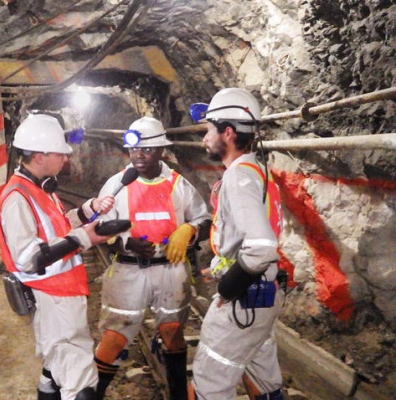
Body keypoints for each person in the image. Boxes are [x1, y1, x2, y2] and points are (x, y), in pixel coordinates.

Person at [0, 113, 116, 400]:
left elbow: (56, 228)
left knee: (54, 369)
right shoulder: (17, 198)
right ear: (39, 156)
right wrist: (86, 237)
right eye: (60, 153)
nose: (66, 158)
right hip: (54, 297)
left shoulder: (39, 188)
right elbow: (29, 258)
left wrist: (89, 210)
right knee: (79, 381)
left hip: (61, 293)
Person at [94, 116, 211, 400]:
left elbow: (205, 220)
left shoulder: (177, 184)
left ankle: (178, 394)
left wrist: (190, 229)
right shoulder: (116, 185)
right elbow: (98, 230)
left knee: (172, 332)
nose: (139, 155)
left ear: (161, 151)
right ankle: (92, 394)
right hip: (128, 271)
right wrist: (124, 243)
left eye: (146, 150)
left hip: (170, 270)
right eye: (134, 150)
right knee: (115, 337)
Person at [188, 88, 285, 400]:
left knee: (207, 386)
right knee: (263, 377)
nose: (205, 138)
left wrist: (228, 288)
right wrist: (220, 265)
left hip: (243, 299)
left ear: (227, 133)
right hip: (264, 295)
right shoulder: (258, 170)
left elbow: (260, 247)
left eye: (209, 130)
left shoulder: (239, 177)